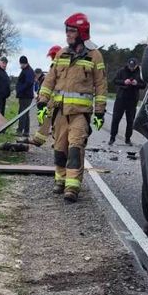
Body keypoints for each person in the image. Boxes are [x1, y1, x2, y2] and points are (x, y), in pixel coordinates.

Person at [36, 13, 106, 203]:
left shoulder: (94, 56)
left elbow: (100, 86)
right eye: (66, 30)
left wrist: (100, 111)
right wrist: (42, 102)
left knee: (75, 149)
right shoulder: (61, 54)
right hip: (60, 112)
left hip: (80, 115)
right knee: (59, 149)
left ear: (81, 32)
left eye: (71, 31)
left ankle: (72, 187)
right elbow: (50, 80)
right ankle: (60, 180)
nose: (67, 34)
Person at [108, 57, 143, 146]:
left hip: (132, 100)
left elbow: (143, 85)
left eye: (133, 66)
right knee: (116, 118)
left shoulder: (140, 73)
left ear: (136, 65)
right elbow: (114, 81)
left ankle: (128, 139)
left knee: (130, 121)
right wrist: (124, 82)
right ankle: (112, 137)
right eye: (130, 66)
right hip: (121, 98)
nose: (131, 68)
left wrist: (136, 83)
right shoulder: (121, 71)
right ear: (128, 64)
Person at [15, 55, 36, 137]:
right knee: (26, 113)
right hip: (25, 95)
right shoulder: (26, 70)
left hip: (25, 96)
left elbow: (28, 83)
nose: (20, 65)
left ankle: (20, 130)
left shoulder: (28, 71)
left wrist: (20, 89)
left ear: (25, 63)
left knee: (22, 113)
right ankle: (26, 131)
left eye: (21, 64)